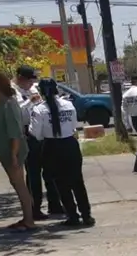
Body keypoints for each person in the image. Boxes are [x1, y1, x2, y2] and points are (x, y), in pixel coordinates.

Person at [31, 79, 94, 227]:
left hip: (51, 147)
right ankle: (87, 215)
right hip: (70, 145)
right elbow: (73, 125)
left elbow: (36, 133)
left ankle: (72, 215)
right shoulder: (68, 104)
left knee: (61, 184)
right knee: (77, 181)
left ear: (41, 91)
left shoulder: (39, 109)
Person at [0, 73, 36, 231]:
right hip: (5, 151)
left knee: (20, 185)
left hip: (13, 152)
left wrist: (14, 156)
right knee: (16, 184)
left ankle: (29, 219)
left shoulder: (10, 103)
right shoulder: (1, 104)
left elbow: (15, 132)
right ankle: (26, 218)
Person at [15, 65, 63, 220]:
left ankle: (54, 204)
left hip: (43, 130)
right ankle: (34, 208)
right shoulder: (13, 91)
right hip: (27, 132)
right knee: (33, 173)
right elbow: (17, 113)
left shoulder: (33, 88)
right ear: (21, 78)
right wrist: (30, 101)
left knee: (50, 169)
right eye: (30, 80)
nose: (32, 84)